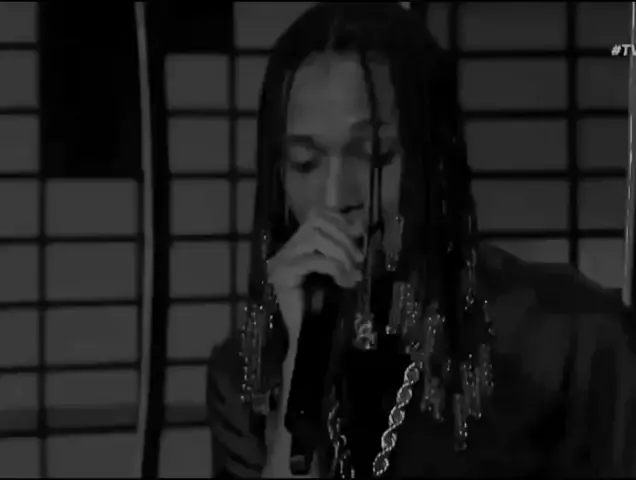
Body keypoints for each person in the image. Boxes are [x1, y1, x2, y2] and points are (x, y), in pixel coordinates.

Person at [207, 3, 636, 477]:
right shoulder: (247, 375)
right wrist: (298, 369)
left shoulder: (572, 341)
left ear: (435, 157)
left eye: (374, 156)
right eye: (305, 163)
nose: (336, 197)